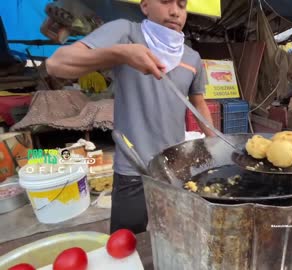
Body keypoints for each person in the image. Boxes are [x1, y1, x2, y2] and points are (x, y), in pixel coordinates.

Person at [46, 0, 216, 234]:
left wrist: (217, 144)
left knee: (173, 236)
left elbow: (199, 103)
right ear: (145, 6)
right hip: (134, 168)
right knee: (127, 242)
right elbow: (56, 64)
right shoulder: (126, 32)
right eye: (165, 1)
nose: (175, 11)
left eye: (182, 4)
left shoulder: (192, 57)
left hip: (175, 168)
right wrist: (121, 53)